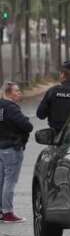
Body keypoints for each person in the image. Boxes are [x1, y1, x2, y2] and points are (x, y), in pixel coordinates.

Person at [0, 82, 33, 223]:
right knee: (10, 180)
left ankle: (1, 211)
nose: (19, 93)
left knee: (1, 179)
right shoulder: (11, 107)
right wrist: (26, 120)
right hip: (12, 147)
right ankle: (8, 212)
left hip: (1, 146)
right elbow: (27, 126)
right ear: (9, 93)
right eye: (16, 91)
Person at [36, 60, 70, 132]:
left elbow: (40, 114)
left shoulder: (52, 92)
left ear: (63, 75)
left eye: (60, 73)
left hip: (56, 137)